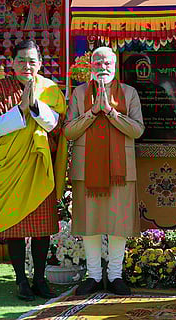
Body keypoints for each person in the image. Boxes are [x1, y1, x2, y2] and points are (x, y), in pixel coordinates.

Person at [0, 40, 68, 301]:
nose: (27, 66)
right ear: (12, 64)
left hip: (39, 165)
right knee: (15, 226)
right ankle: (21, 280)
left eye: (32, 61)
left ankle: (40, 279)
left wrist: (34, 105)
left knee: (42, 228)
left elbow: (56, 125)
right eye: (21, 60)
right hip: (11, 169)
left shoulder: (51, 89)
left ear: (40, 64)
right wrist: (20, 109)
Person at [64, 46, 145, 296]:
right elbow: (69, 131)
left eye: (108, 63)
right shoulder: (79, 93)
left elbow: (137, 130)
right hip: (86, 169)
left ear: (115, 66)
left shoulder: (129, 93)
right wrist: (92, 113)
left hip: (120, 170)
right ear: (91, 66)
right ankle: (94, 276)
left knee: (118, 223)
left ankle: (116, 275)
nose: (103, 68)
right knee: (91, 222)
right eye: (98, 63)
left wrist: (110, 112)